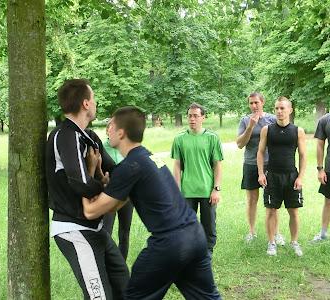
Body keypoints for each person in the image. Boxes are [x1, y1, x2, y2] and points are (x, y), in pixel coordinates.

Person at [82, 106, 221, 300]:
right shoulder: (150, 157)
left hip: (168, 245)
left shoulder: (130, 166)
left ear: (121, 133)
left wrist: (87, 170)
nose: (107, 130)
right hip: (195, 237)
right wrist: (100, 175)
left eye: (111, 126)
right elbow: (114, 205)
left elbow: (90, 212)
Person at [45, 79, 129, 299]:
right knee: (99, 296)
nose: (95, 103)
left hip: (96, 229)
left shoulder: (89, 136)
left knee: (123, 285)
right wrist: (101, 180)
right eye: (93, 99)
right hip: (74, 230)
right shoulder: (64, 136)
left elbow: (115, 171)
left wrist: (138, 168)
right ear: (85, 104)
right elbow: (81, 183)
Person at [171, 103, 223, 255]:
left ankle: (207, 253)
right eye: (189, 116)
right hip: (187, 191)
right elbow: (177, 165)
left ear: (203, 117)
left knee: (209, 226)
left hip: (207, 190)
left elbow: (217, 165)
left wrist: (216, 189)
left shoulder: (212, 138)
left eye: (195, 116)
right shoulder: (180, 139)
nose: (192, 119)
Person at [257, 97, 306, 256]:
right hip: (272, 176)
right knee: (271, 210)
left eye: (282, 108)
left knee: (293, 211)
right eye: (277, 108)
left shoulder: (298, 131)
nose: (279, 111)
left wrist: (300, 177)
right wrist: (260, 173)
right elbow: (260, 152)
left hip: (292, 176)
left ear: (290, 110)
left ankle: (294, 242)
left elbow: (304, 156)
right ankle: (271, 243)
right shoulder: (267, 130)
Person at [236, 92, 285, 245]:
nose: (254, 106)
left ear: (262, 102)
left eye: (256, 102)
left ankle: (276, 232)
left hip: (270, 164)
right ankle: (251, 231)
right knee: (252, 200)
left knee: (273, 201)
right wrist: (250, 127)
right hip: (250, 164)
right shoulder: (245, 120)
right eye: (251, 103)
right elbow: (239, 144)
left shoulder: (272, 119)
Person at [103, 119, 134, 260]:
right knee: (106, 232)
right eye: (110, 128)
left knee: (124, 232)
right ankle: (108, 262)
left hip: (127, 197)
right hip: (109, 196)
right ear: (107, 130)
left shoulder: (127, 149)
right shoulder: (101, 148)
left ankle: (122, 264)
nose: (113, 132)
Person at [311, 113, 330, 242]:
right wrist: (320, 169)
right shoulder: (325, 120)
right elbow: (320, 145)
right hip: (329, 168)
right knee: (328, 201)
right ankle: (323, 234)